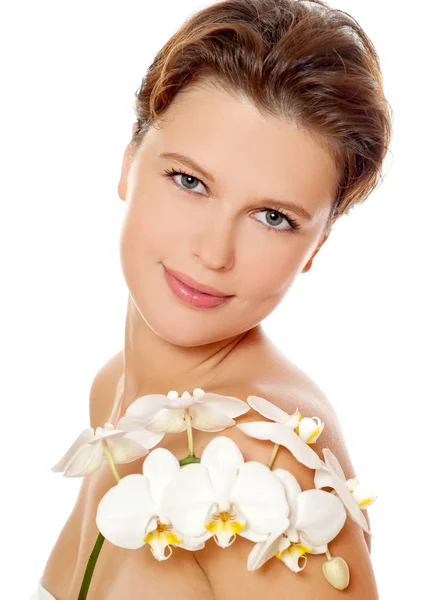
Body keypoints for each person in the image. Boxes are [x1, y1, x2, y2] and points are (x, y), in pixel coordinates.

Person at [34, 0, 392, 598]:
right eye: (190, 181)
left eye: (272, 217)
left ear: (316, 247)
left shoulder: (268, 463)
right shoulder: (114, 391)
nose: (214, 252)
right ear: (129, 159)